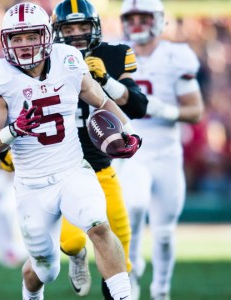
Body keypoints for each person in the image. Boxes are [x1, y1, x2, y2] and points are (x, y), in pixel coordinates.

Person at [0, 3, 141, 300]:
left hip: (72, 171)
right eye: (16, 38)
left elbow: (100, 101)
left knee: (99, 225)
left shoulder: (68, 59)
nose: (24, 44)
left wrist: (127, 131)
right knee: (44, 268)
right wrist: (13, 130)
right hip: (31, 186)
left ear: (47, 35)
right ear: (5, 41)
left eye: (31, 36)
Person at [51, 0, 149, 298]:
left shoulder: (114, 55)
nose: (78, 34)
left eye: (83, 27)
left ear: (95, 28)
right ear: (58, 31)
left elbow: (137, 106)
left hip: (101, 165)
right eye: (70, 28)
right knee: (72, 242)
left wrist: (105, 80)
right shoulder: (49, 59)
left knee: (120, 243)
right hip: (64, 166)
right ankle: (77, 258)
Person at [116, 1, 204, 299]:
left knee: (165, 234)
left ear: (158, 20)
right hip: (131, 151)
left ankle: (161, 291)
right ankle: (133, 268)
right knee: (135, 205)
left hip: (166, 152)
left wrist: (165, 110)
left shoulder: (176, 56)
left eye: (143, 17)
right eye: (132, 17)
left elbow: (195, 111)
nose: (137, 23)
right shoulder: (114, 53)